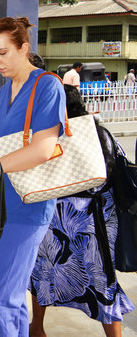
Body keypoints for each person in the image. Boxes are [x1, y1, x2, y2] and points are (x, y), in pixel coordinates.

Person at [0, 17, 66, 336]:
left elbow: (44, 148)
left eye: (3, 53)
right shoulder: (2, 93)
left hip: (27, 209)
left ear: (24, 48)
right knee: (8, 299)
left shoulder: (47, 85)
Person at [29, 84, 134, 337]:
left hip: (57, 221)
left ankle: (37, 328)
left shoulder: (50, 136)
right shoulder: (101, 134)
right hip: (96, 223)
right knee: (101, 278)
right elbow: (114, 172)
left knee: (44, 271)